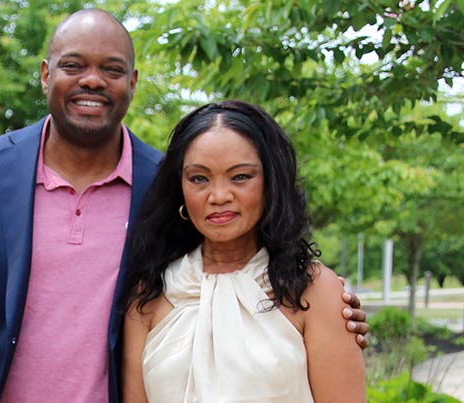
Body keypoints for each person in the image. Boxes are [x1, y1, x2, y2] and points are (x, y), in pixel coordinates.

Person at [0, 9, 368, 403]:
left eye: (111, 68)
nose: (91, 80)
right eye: (73, 65)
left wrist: (334, 311)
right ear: (46, 74)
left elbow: (237, 265)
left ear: (132, 82)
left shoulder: (170, 184)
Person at [122, 100, 366, 403]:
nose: (219, 196)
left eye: (240, 177)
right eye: (199, 178)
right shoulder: (150, 294)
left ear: (270, 182)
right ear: (180, 187)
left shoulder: (314, 290)